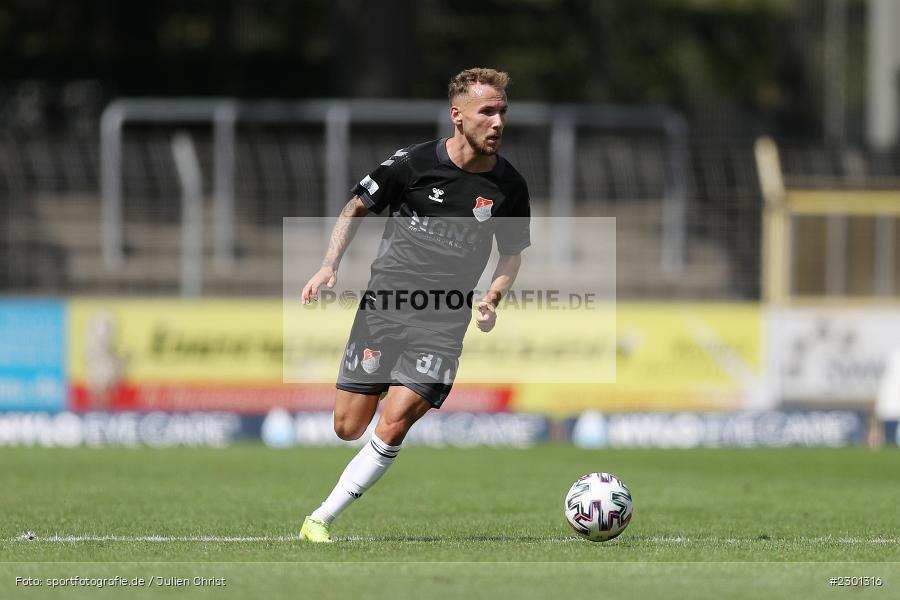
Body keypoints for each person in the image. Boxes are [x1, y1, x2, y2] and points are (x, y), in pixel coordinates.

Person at [299, 68, 531, 542]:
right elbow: (356, 206)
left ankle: (320, 518)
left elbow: (511, 253)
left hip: (443, 323)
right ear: (457, 116)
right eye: (487, 111)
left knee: (396, 420)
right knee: (348, 426)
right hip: (383, 308)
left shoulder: (510, 186)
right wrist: (329, 265)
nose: (497, 121)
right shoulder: (413, 163)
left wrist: (492, 298)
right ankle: (385, 381)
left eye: (502, 111)